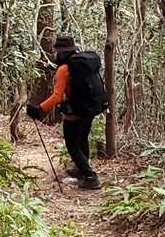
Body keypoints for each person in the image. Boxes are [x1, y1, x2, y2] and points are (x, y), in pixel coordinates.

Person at [26, 34, 107, 189]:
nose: (55, 54)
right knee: (82, 139)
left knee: (72, 145)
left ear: (62, 52)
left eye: (57, 52)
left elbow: (57, 96)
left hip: (75, 112)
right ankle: (81, 169)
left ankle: (90, 177)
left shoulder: (64, 69)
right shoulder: (83, 63)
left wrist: (39, 109)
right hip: (90, 108)